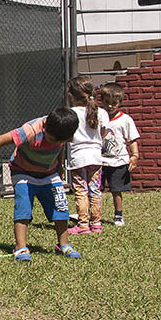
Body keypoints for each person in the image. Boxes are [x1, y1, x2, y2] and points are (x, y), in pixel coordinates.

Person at [0, 108, 81, 261]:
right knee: (23, 208)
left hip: (49, 173)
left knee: (60, 207)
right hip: (23, 173)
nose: (56, 143)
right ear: (45, 127)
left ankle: (64, 245)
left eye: (61, 141)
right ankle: (21, 248)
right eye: (53, 140)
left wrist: (59, 164)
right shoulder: (30, 131)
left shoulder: (64, 132)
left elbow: (60, 146)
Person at [65, 75, 109, 235]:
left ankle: (83, 225)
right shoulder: (101, 112)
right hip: (96, 157)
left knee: (81, 190)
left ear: (72, 95)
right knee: (95, 189)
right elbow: (103, 132)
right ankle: (96, 224)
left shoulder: (71, 113)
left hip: (78, 158)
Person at [99, 82, 140, 227]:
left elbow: (132, 139)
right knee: (96, 190)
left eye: (114, 103)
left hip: (119, 162)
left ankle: (118, 215)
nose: (110, 106)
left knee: (116, 190)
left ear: (120, 102)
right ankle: (94, 214)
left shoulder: (126, 120)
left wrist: (134, 156)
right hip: (99, 161)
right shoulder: (98, 117)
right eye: (107, 102)